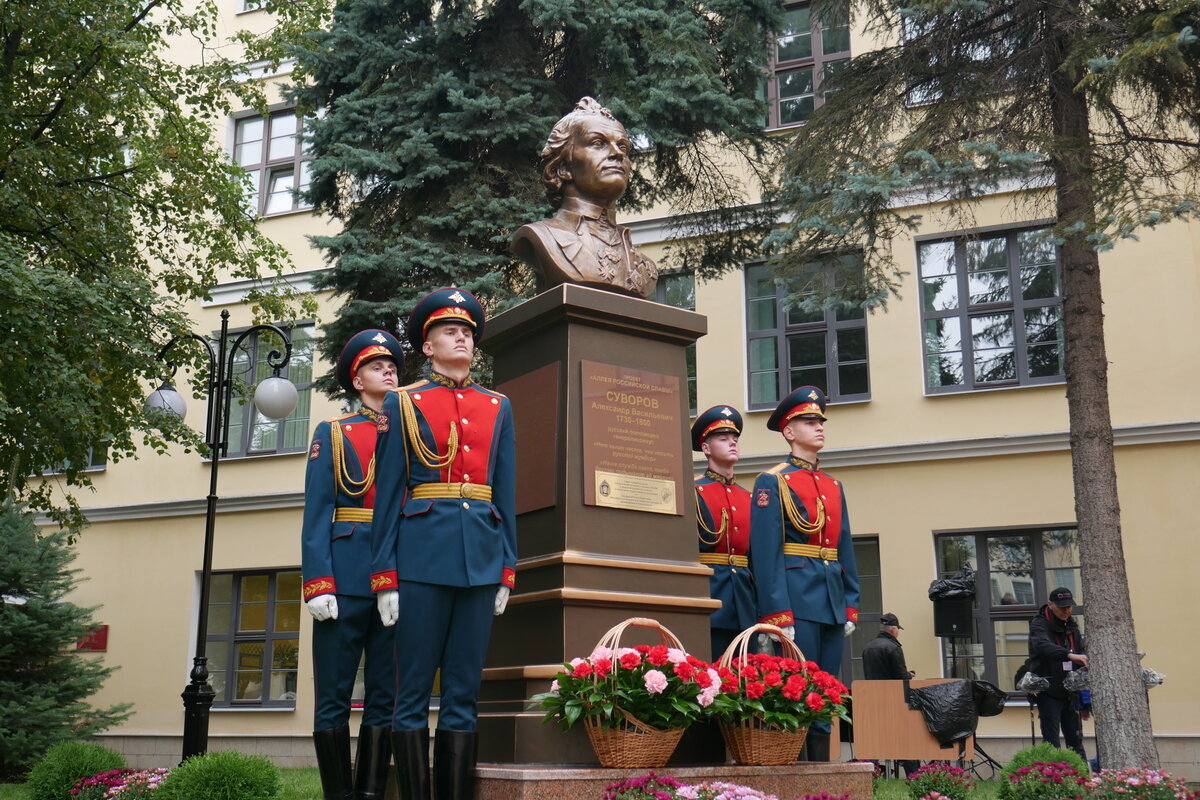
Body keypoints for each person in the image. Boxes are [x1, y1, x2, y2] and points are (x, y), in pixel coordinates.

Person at [370, 288, 517, 800]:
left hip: (480, 559)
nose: (463, 337)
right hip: (420, 560)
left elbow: (505, 491)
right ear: (427, 347)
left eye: (469, 332)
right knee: (410, 694)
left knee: (463, 693)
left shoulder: (497, 405)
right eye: (451, 332)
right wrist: (385, 576)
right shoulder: (403, 402)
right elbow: (387, 497)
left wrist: (507, 568)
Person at [301, 329, 404, 800]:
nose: (389, 369)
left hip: (397, 583)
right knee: (334, 700)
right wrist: (318, 582)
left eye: (393, 364)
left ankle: (370, 794)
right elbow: (318, 513)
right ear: (357, 380)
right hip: (342, 583)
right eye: (377, 365)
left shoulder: (410, 433)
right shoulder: (335, 433)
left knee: (387, 696)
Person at [749, 385, 860, 762]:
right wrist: (777, 613)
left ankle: (820, 773)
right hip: (797, 599)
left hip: (829, 599)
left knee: (827, 691)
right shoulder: (772, 481)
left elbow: (844, 546)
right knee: (796, 691)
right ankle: (795, 773)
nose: (819, 428)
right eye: (810, 422)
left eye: (820, 421)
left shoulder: (833, 485)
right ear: (789, 432)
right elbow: (765, 554)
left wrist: (850, 603)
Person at [511, 96, 657, 298]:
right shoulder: (542, 237)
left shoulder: (644, 265)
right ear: (563, 168)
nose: (617, 154)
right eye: (598, 143)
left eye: (623, 146)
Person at [691, 405, 756, 660]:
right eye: (723, 438)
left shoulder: (748, 497)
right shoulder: (694, 491)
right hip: (710, 595)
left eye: (735, 439)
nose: (732, 443)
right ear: (706, 448)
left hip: (745, 600)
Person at [1027, 586, 1089, 760]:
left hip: (1070, 692)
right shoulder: (1039, 624)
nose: (1067, 611)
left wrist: (1085, 702)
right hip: (1048, 692)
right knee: (1051, 741)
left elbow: (1079, 650)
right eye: (1062, 607)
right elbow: (1042, 647)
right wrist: (1069, 655)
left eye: (1069, 607)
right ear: (1050, 605)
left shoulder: (1071, 625)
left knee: (1076, 740)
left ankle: (1081, 778)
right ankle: (1055, 779)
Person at [861, 612, 919, 777]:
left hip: (873, 700)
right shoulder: (893, 648)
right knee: (903, 738)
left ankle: (871, 773)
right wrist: (909, 675)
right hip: (894, 702)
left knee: (874, 739)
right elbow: (900, 677)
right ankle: (913, 774)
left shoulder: (868, 647)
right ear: (893, 630)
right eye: (898, 630)